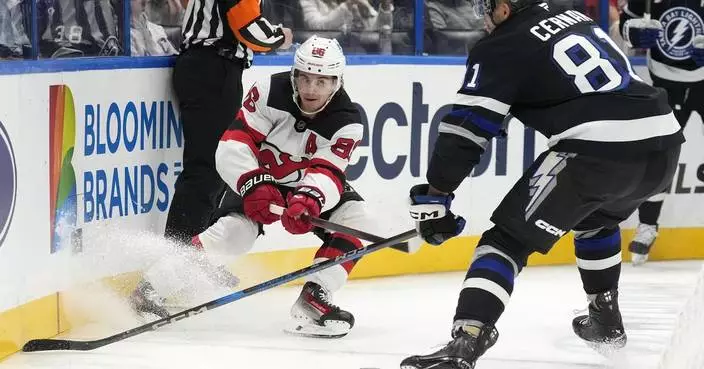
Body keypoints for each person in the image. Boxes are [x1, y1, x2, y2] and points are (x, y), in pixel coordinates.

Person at [399, 0, 685, 367]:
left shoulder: (501, 45)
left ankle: (466, 341)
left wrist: (436, 196)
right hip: (663, 143)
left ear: (504, 8)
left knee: (505, 242)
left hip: (598, 150)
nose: (482, 18)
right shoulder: (574, 16)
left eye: (485, 7)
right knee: (595, 218)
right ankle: (605, 319)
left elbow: (465, 130)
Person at [131, 36, 369, 339]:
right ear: (294, 75)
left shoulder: (347, 120)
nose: (311, 89)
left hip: (306, 186)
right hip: (258, 179)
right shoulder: (269, 91)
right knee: (234, 236)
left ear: (337, 82)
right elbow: (234, 143)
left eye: (322, 81)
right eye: (305, 78)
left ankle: (315, 295)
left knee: (358, 220)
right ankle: (151, 288)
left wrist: (309, 200)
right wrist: (254, 183)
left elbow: (328, 171)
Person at [164, 0, 293, 246]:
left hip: (208, 67)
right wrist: (280, 36)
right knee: (207, 169)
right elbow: (248, 27)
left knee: (214, 169)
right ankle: (175, 262)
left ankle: (194, 257)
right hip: (213, 69)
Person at [619, 0, 704, 265]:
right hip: (664, 81)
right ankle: (647, 226)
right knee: (659, 157)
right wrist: (631, 32)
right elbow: (625, 24)